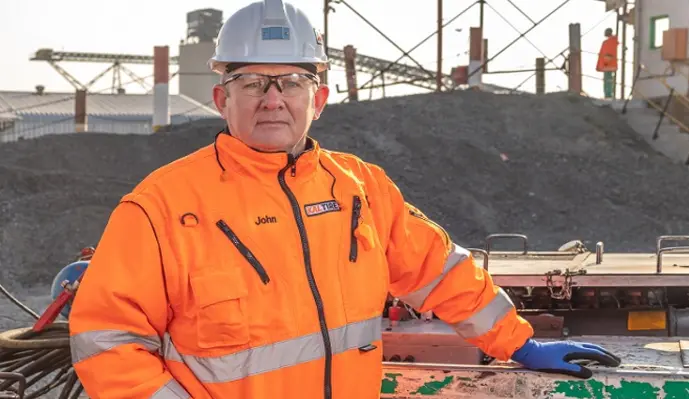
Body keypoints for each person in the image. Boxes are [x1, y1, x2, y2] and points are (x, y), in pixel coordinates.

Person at [67, 1, 621, 398]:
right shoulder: (160, 207)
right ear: (220, 98)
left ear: (320, 100)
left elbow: (441, 271)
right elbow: (107, 343)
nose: (273, 100)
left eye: (291, 82)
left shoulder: (361, 188)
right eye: (252, 83)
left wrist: (519, 344)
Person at [596, 27, 619, 99]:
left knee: (607, 80)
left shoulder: (608, 42)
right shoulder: (612, 41)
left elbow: (608, 53)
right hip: (610, 64)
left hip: (607, 65)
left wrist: (605, 63)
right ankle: (609, 94)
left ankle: (608, 95)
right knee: (609, 80)